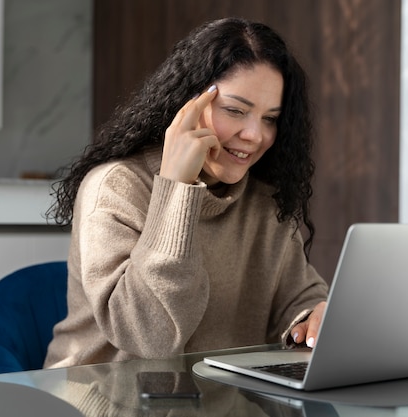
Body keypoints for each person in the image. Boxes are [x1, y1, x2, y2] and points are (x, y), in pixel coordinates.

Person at [44, 17, 328, 368]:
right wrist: (176, 188)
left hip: (219, 402)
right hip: (106, 401)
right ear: (185, 107)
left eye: (270, 118)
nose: (255, 135)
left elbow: (300, 295)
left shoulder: (262, 203)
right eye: (235, 111)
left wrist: (313, 316)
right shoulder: (115, 186)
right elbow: (150, 335)